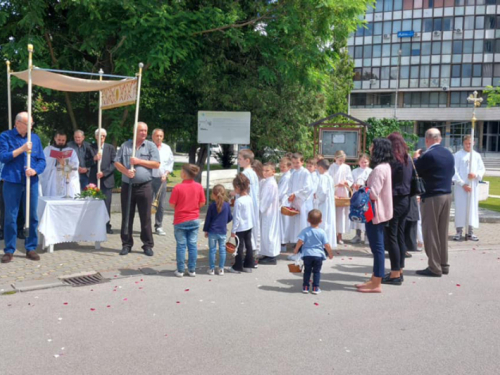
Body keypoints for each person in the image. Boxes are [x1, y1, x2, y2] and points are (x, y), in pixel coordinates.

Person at [0, 112, 46, 263]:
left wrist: (35, 170)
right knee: (10, 217)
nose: (30, 127)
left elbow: (41, 161)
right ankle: (9, 249)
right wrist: (22, 149)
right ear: (18, 123)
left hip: (30, 181)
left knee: (32, 215)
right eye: (28, 124)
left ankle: (31, 247)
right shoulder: (5, 136)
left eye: (31, 124)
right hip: (12, 181)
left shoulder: (35, 138)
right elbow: (3, 157)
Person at [413, 128, 455, 277]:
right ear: (440, 139)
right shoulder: (449, 153)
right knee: (442, 232)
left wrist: (416, 158)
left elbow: (415, 170)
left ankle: (434, 267)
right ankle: (444, 264)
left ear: (427, 139)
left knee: (430, 231)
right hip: (447, 194)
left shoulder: (428, 155)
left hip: (432, 197)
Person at [114, 122, 160, 256]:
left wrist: (139, 161)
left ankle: (147, 245)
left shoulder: (150, 146)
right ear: (134, 131)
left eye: (146, 131)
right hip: (127, 186)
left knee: (145, 217)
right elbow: (117, 162)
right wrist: (126, 171)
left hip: (144, 186)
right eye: (141, 131)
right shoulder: (125, 146)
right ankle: (126, 244)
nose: (144, 133)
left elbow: (156, 164)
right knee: (127, 216)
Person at [356, 138, 393, 293]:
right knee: (377, 247)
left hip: (376, 213)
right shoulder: (385, 166)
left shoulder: (378, 169)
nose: (370, 148)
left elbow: (373, 194)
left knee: (377, 248)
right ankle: (374, 278)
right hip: (381, 211)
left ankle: (377, 282)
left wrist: (363, 188)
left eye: (372, 146)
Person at [383, 132, 413, 286]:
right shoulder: (408, 159)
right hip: (406, 200)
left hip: (395, 200)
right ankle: (399, 270)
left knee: (392, 236)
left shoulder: (393, 161)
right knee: (400, 235)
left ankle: (395, 273)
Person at [170, 164, 205, 277]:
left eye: (181, 171)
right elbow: (202, 203)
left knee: (181, 245)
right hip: (194, 218)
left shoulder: (177, 187)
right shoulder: (199, 187)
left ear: (184, 174)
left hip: (180, 219)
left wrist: (180, 208)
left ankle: (180, 270)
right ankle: (192, 269)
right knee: (192, 245)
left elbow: (172, 204)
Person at [292, 209, 334, 294]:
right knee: (316, 272)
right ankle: (315, 287)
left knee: (307, 271)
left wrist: (296, 250)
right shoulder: (322, 232)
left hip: (307, 254)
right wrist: (330, 254)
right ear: (321, 221)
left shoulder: (305, 231)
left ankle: (305, 286)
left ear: (308, 220)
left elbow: (300, 241)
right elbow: (327, 245)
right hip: (318, 255)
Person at [452, 135, 485, 241]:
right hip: (461, 187)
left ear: (473, 143)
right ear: (463, 143)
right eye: (466, 143)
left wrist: (475, 175)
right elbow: (454, 171)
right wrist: (462, 184)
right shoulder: (457, 155)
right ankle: (459, 231)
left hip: (472, 187)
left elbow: (481, 169)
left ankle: (470, 231)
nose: (468, 145)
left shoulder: (476, 156)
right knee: (460, 208)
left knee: (472, 208)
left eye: (470, 143)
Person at [88, 128, 116, 234]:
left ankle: (106, 225)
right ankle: (93, 224)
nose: (102, 138)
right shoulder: (90, 148)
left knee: (106, 203)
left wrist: (104, 173)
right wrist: (94, 159)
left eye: (103, 136)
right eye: (99, 136)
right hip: (94, 181)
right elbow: (86, 162)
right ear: (96, 137)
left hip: (106, 181)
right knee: (93, 203)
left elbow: (114, 163)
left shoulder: (110, 148)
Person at [40, 130, 80, 198]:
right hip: (53, 177)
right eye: (59, 140)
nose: (61, 142)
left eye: (63, 140)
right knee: (53, 194)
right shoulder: (48, 149)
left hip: (66, 177)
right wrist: (53, 160)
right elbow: (43, 162)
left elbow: (75, 165)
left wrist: (64, 163)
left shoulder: (71, 151)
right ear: (55, 139)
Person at [235, 150, 260, 257]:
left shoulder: (244, 174)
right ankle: (252, 250)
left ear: (247, 160)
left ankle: (245, 252)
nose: (238, 161)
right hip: (253, 202)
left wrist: (235, 194)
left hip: (245, 202)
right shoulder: (253, 172)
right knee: (252, 226)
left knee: (244, 227)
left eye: (240, 159)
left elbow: (242, 189)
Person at [285, 153, 313, 247]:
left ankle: (303, 241)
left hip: (303, 201)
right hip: (295, 200)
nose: (296, 165)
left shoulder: (305, 173)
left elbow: (308, 188)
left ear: (302, 162)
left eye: (297, 162)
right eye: (293, 163)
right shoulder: (293, 173)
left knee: (302, 221)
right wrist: (290, 195)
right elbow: (290, 186)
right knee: (295, 222)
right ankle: (297, 240)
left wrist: (295, 194)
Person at [203, 184, 232, 276]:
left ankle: (211, 269)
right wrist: (224, 223)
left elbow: (208, 219)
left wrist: (206, 230)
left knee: (212, 250)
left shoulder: (212, 206)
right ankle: (221, 269)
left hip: (212, 231)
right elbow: (230, 217)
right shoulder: (227, 205)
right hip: (222, 231)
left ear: (214, 194)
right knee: (222, 250)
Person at [151, 128, 175, 236]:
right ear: (153, 137)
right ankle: (145, 225)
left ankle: (158, 226)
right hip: (148, 179)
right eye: (157, 136)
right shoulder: (148, 147)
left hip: (161, 180)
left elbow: (170, 163)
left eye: (161, 136)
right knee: (147, 203)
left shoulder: (167, 148)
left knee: (160, 204)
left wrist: (166, 173)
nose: (159, 138)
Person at [230, 173, 255, 273]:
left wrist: (233, 230)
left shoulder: (239, 201)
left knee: (239, 247)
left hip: (240, 227)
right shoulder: (249, 198)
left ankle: (238, 266)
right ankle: (248, 265)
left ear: (237, 187)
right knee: (248, 245)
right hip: (249, 225)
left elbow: (236, 217)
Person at [328, 150, 353, 244]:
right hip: (334, 190)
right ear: (335, 158)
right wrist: (334, 185)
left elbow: (350, 179)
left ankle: (340, 236)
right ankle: (333, 234)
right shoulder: (332, 167)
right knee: (333, 213)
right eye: (339, 160)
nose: (341, 162)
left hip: (343, 192)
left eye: (343, 160)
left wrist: (346, 182)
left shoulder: (346, 167)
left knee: (342, 214)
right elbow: (329, 178)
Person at [259, 162, 281, 265]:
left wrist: (260, 208)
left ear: (273, 172)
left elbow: (267, 200)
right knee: (266, 232)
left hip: (269, 212)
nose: (265, 173)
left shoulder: (271, 183)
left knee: (269, 233)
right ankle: (266, 253)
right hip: (267, 212)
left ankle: (271, 256)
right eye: (263, 170)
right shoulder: (266, 182)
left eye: (267, 170)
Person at [350, 154, 372, 244]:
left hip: (366, 195)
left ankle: (367, 235)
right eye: (362, 162)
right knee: (357, 214)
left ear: (368, 162)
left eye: (365, 162)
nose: (364, 164)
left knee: (366, 214)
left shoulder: (371, 171)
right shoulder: (355, 171)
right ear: (359, 162)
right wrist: (353, 185)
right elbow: (350, 181)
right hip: (356, 195)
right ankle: (357, 235)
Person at [316, 159, 337, 248]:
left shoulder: (322, 178)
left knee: (323, 223)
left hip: (323, 205)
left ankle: (322, 246)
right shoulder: (330, 177)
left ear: (320, 168)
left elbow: (322, 193)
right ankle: (327, 245)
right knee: (328, 223)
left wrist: (316, 196)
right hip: (329, 204)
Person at [278, 157, 292, 252]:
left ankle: (283, 242)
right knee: (282, 223)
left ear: (289, 167)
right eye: (280, 166)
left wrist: (276, 197)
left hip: (284, 201)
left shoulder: (287, 177)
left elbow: (281, 191)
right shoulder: (285, 175)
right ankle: (282, 241)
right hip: (283, 200)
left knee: (284, 223)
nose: (281, 168)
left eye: (283, 167)